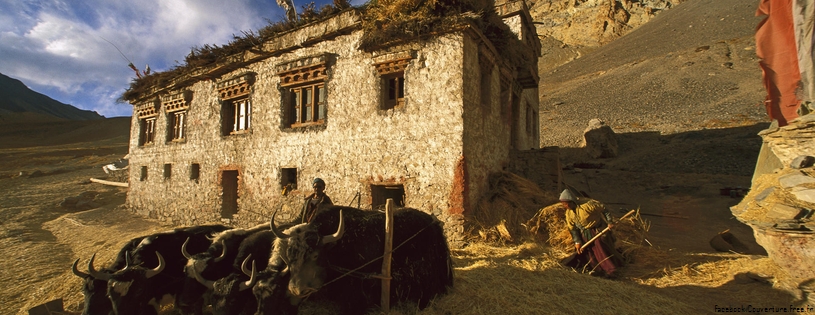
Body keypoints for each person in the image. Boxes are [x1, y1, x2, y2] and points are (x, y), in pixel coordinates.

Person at [559, 189, 623, 277]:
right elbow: (573, 229)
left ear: (572, 201)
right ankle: (597, 269)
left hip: (597, 230)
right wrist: (577, 242)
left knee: (600, 248)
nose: (564, 206)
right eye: (563, 204)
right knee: (588, 251)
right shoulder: (569, 213)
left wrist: (610, 221)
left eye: (565, 203)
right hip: (585, 233)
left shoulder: (588, 205)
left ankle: (611, 270)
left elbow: (604, 209)